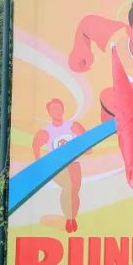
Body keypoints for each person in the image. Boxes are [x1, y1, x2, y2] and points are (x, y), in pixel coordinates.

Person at [31, 98, 85, 233]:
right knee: (68, 186)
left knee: (74, 191)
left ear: (63, 109)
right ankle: (69, 218)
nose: (57, 111)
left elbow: (86, 140)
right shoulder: (46, 132)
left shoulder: (72, 126)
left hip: (74, 165)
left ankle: (72, 218)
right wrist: (41, 164)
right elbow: (36, 146)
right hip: (58, 167)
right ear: (49, 112)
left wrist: (85, 149)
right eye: (54, 109)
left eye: (59, 108)